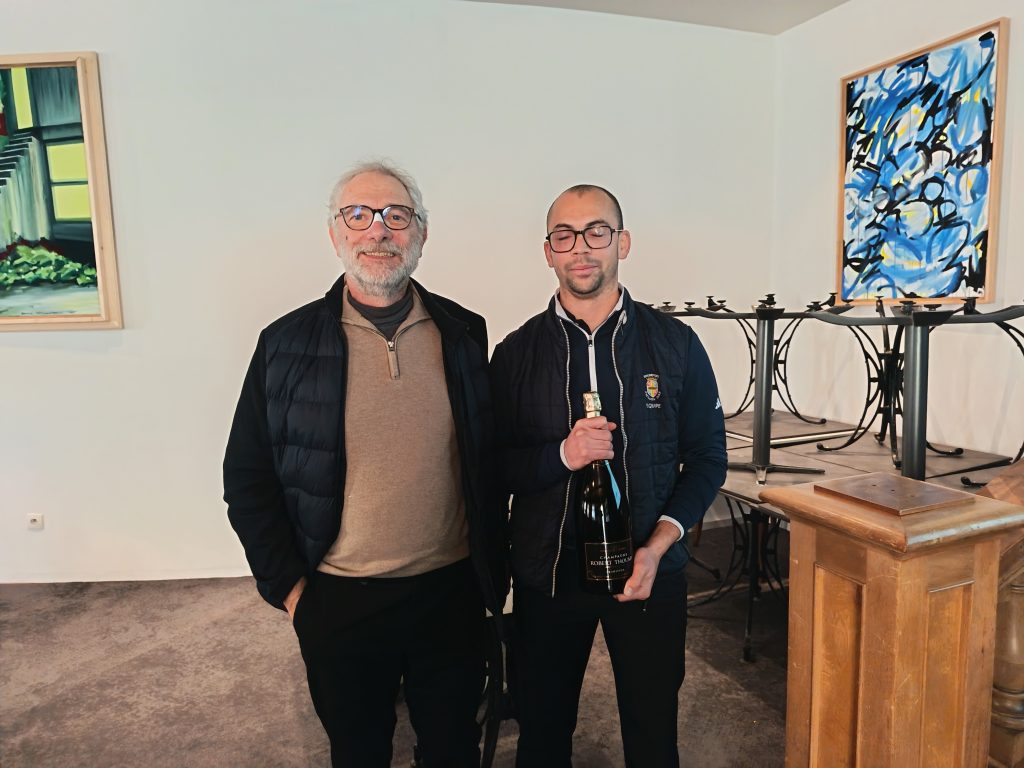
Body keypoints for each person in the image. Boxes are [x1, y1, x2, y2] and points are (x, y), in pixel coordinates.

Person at [223, 160, 505, 768]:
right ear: (335, 233)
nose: (378, 230)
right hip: (339, 600)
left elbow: (489, 462)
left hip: (450, 594)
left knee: (453, 751)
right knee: (358, 752)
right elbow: (247, 479)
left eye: (396, 216)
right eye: (358, 215)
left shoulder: (463, 332)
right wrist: (293, 594)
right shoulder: (285, 344)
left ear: (421, 233)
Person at [490, 184, 727, 767]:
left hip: (648, 571)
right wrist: (561, 456)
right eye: (564, 235)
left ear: (622, 243)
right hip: (548, 576)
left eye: (596, 231)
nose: (581, 247)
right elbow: (491, 467)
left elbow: (707, 458)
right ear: (548, 252)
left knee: (652, 733)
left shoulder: (675, 344)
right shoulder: (515, 355)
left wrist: (659, 546)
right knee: (542, 735)